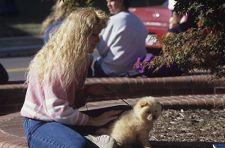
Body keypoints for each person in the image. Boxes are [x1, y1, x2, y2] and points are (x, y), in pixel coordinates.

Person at [20, 8, 121, 148]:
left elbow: (70, 104)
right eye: (93, 35)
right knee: (76, 145)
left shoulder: (84, 60)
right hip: (40, 124)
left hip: (62, 121)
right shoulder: (57, 62)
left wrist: (86, 91)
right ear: (79, 35)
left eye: (98, 34)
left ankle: (91, 139)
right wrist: (93, 121)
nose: (98, 40)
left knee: (120, 113)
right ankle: (90, 139)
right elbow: (57, 110)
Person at [93, 0, 148, 77]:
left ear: (121, 1)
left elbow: (102, 51)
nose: (108, 4)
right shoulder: (138, 21)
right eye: (107, 1)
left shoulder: (113, 21)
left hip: (111, 71)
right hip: (135, 71)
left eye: (111, 1)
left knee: (95, 62)